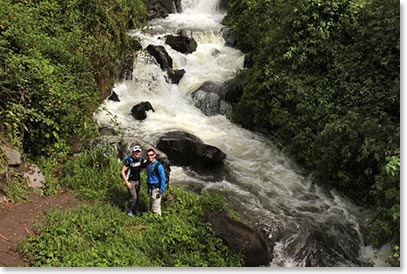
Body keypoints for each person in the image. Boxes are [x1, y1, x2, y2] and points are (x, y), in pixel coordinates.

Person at [121, 145, 148, 217]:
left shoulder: (140, 159)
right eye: (136, 152)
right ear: (133, 152)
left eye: (138, 152)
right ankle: (129, 210)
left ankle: (136, 210)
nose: (137, 153)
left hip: (138, 180)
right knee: (133, 197)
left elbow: (144, 165)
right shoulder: (129, 160)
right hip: (130, 181)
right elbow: (122, 171)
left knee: (137, 196)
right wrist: (126, 182)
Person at [146, 148, 166, 216]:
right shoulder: (148, 164)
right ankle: (159, 220)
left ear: (154, 155)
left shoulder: (159, 166)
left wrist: (161, 191)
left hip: (156, 189)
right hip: (150, 188)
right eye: (148, 155)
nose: (150, 157)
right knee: (155, 206)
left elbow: (163, 179)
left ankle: (157, 222)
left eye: (151, 155)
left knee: (155, 208)